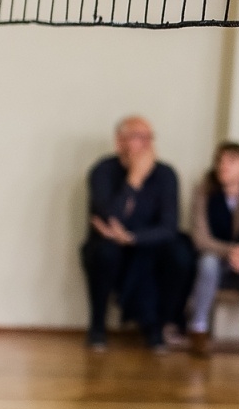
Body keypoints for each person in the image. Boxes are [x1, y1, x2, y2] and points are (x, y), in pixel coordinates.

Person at [81, 116, 193, 350]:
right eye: (138, 137)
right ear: (119, 142)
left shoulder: (166, 174)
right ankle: (97, 327)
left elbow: (168, 226)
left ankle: (158, 325)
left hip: (148, 242)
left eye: (149, 138)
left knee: (180, 254)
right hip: (110, 244)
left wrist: (133, 238)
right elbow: (111, 216)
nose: (146, 144)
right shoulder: (103, 170)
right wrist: (134, 180)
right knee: (104, 253)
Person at [186, 142, 239, 361]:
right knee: (207, 263)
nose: (223, 166)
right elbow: (200, 237)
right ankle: (199, 327)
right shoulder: (204, 191)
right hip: (217, 257)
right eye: (220, 161)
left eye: (231, 161)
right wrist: (230, 251)